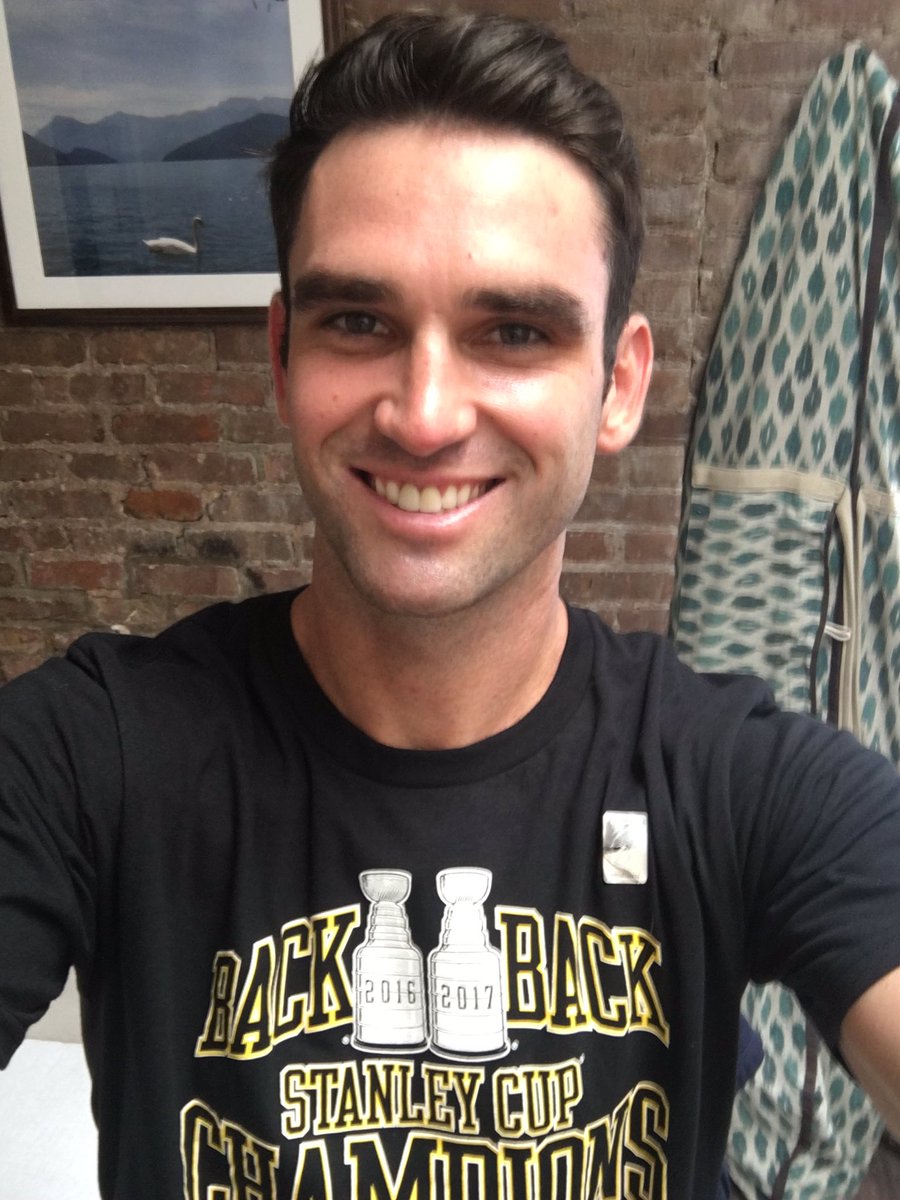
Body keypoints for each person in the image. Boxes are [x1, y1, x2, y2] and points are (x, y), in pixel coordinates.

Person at [1, 12, 899, 1199]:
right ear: (282, 356)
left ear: (619, 385)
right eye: (358, 322)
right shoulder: (87, 754)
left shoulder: (744, 781)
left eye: (514, 332)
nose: (425, 415)